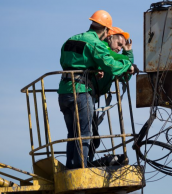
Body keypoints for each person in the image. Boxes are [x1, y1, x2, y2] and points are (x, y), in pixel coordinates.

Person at [58, 10, 137, 169]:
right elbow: (110, 64)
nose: (120, 49)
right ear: (107, 32)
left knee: (73, 134)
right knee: (85, 134)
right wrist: (129, 65)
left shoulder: (71, 39)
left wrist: (94, 69)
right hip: (81, 91)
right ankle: (81, 167)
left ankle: (71, 166)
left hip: (64, 92)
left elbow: (64, 61)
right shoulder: (96, 44)